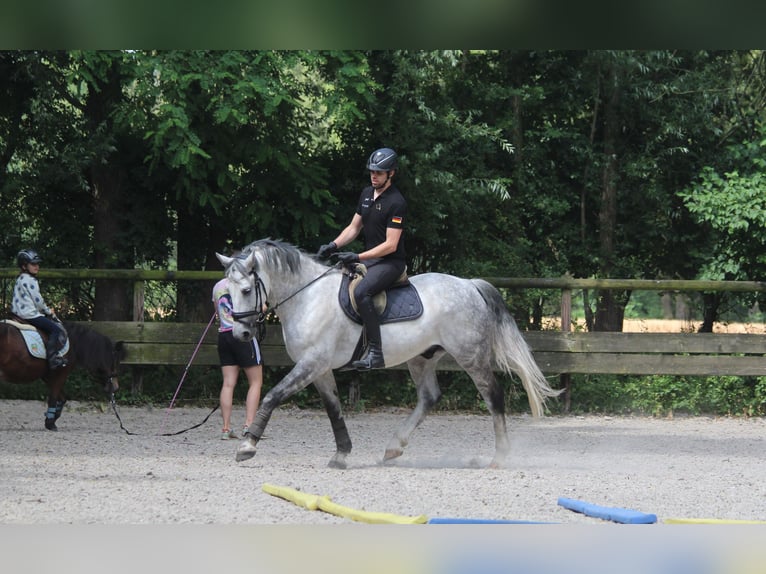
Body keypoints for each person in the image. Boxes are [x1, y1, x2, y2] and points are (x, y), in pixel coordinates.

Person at [317, 147, 407, 370]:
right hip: (370, 260)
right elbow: (354, 227)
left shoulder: (397, 202)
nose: (374, 176)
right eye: (371, 172)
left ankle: (376, 352)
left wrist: (357, 255)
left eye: (379, 172)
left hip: (390, 262)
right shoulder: (367, 193)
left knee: (361, 292)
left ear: (391, 174)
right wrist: (333, 245)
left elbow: (390, 245)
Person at [212, 275, 264, 440]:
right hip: (243, 335)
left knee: (228, 383)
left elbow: (217, 313)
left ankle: (226, 428)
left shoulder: (218, 285)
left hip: (224, 336)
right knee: (256, 382)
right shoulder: (245, 285)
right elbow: (259, 308)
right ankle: (249, 425)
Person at [11, 249, 69, 370]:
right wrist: (48, 311)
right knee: (55, 330)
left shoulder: (20, 278)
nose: (37, 266)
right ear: (24, 266)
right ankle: (52, 359)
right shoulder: (31, 280)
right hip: (29, 315)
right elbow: (38, 302)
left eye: (37, 264)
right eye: (33, 264)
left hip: (17, 314)